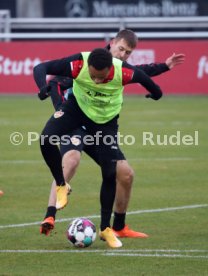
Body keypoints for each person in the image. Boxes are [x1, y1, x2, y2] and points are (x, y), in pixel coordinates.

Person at [38, 30, 185, 239]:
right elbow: (55, 81)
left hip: (101, 127)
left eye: (128, 52)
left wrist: (164, 66)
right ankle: (50, 215)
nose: (124, 55)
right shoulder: (88, 63)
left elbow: (139, 72)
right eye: (121, 49)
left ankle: (118, 227)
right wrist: (60, 108)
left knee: (125, 175)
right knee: (71, 159)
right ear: (112, 43)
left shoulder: (118, 69)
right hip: (75, 124)